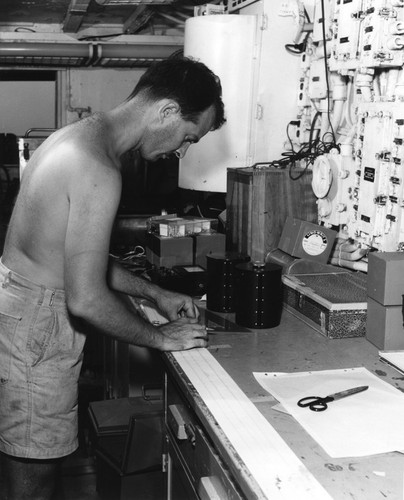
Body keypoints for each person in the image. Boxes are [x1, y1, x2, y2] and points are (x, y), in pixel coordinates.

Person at [0, 55, 226, 499]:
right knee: (33, 476)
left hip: (23, 310)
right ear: (165, 111)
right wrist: (162, 338)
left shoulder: (73, 139)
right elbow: (84, 298)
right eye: (187, 137)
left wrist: (154, 292)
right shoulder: (98, 168)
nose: (180, 152)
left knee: (33, 464)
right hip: (37, 327)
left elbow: (79, 257)